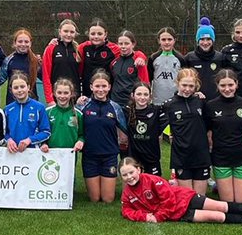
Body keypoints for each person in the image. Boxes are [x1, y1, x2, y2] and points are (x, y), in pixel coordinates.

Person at [120, 158, 242, 225]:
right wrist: (144, 216)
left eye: (131, 172)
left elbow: (168, 199)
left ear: (139, 169)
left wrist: (157, 216)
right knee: (215, 217)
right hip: (176, 214)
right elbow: (126, 210)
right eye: (125, 175)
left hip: (184, 199)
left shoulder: (152, 180)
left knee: (220, 206)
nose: (129, 177)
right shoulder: (127, 193)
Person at [206, 69, 242, 204]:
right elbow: (206, 130)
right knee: (228, 202)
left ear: (237, 84)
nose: (227, 89)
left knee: (241, 202)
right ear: (217, 86)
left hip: (241, 156)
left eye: (230, 85)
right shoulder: (210, 106)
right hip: (220, 158)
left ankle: (229, 183)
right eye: (223, 85)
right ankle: (220, 184)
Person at [79, 70, 125, 203]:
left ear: (109, 87)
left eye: (104, 86)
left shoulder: (115, 107)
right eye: (97, 86)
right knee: (94, 198)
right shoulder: (82, 106)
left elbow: (125, 131)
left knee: (107, 199)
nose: (101, 89)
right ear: (91, 87)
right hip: (89, 156)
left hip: (109, 156)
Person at [164, 68, 210, 192]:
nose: (188, 89)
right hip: (181, 156)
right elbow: (158, 127)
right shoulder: (169, 105)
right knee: (188, 198)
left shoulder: (201, 101)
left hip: (201, 155)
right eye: (184, 85)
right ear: (177, 83)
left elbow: (210, 124)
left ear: (196, 85)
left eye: (191, 86)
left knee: (200, 198)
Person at [181, 17, 231, 100]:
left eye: (208, 39)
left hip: (216, 101)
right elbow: (182, 81)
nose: (205, 43)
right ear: (197, 41)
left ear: (213, 40)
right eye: (202, 39)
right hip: (194, 100)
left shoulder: (221, 58)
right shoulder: (189, 58)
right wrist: (193, 93)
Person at [3, 72, 50, 152]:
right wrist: (9, 140)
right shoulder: (7, 109)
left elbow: (46, 132)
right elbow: (4, 132)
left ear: (28, 87)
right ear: (11, 90)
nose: (19, 90)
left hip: (33, 153)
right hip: (13, 153)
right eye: (16, 88)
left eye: (22, 87)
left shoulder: (39, 107)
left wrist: (30, 140)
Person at [124, 82, 163, 176]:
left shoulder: (157, 111)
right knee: (134, 187)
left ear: (150, 96)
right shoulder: (126, 111)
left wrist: (194, 95)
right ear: (132, 95)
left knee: (154, 189)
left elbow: (176, 104)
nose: (142, 97)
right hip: (134, 159)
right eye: (139, 94)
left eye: (146, 94)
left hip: (152, 158)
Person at [78, 19, 118, 100]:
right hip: (87, 94)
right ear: (88, 34)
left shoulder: (114, 49)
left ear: (105, 34)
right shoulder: (82, 47)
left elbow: (130, 53)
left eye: (99, 34)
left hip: (106, 94)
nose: (96, 37)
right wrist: (56, 42)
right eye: (93, 34)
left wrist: (140, 56)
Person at [41, 19, 82, 96]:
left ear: (75, 34)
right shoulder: (51, 48)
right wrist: (49, 99)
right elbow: (46, 75)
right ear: (60, 32)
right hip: (57, 95)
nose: (69, 34)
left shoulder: (79, 49)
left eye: (72, 32)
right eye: (65, 31)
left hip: (74, 96)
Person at [109, 30, 149, 108]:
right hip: (115, 102)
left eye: (126, 43)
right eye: (120, 44)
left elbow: (145, 82)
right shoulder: (114, 62)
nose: (123, 46)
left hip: (131, 103)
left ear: (133, 44)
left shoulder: (138, 62)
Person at [2, 28, 42, 104]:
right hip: (12, 103)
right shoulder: (8, 60)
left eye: (26, 42)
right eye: (20, 41)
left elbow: (46, 78)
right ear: (14, 43)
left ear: (30, 43)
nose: (23, 44)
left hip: (32, 103)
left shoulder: (35, 61)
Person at [44, 78, 84, 154]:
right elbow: (42, 132)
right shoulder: (48, 112)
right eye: (59, 92)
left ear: (71, 94)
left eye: (66, 93)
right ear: (54, 93)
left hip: (70, 155)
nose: (62, 96)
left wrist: (80, 141)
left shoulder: (78, 114)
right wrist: (43, 144)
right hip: (50, 153)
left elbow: (81, 135)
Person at [149, 27, 182, 106]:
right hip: (157, 102)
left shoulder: (180, 59)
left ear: (174, 40)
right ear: (159, 41)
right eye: (163, 39)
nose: (167, 42)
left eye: (169, 39)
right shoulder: (153, 58)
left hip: (175, 102)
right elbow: (149, 79)